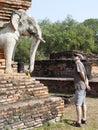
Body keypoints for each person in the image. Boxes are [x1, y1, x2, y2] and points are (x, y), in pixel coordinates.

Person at [73, 53, 91, 127]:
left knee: (78, 104)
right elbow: (86, 76)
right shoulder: (81, 64)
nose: (73, 57)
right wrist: (86, 84)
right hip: (82, 86)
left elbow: (82, 74)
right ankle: (84, 119)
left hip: (80, 87)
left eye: (75, 56)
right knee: (83, 104)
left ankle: (78, 122)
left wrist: (86, 84)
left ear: (79, 58)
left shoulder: (78, 63)